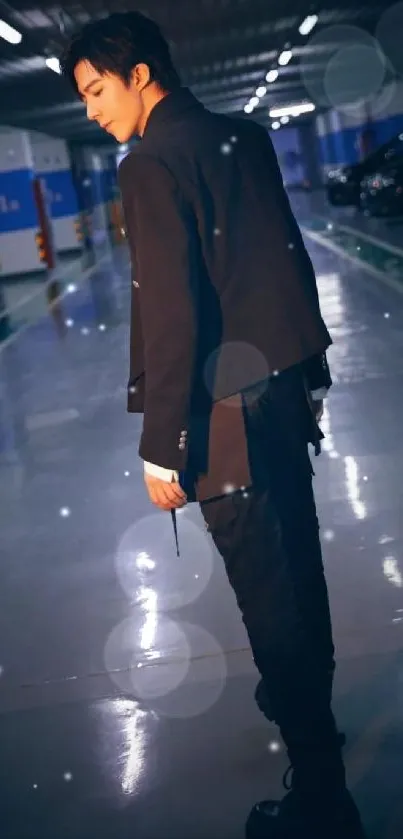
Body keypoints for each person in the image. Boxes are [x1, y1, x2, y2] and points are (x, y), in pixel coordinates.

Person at [61, 12, 365, 839]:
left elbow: (172, 313)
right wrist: (312, 374)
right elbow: (286, 257)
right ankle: (308, 709)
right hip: (278, 390)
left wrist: (163, 445)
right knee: (298, 566)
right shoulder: (240, 135)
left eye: (95, 91)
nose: (92, 110)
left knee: (269, 596)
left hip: (223, 412)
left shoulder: (149, 162)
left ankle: (321, 796)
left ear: (140, 76)